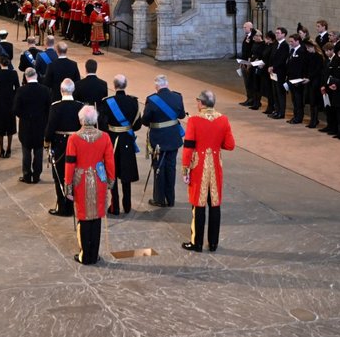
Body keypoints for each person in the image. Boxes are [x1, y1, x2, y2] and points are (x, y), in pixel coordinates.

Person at [181, 90, 236, 252]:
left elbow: (188, 147)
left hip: (199, 167)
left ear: (201, 103)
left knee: (198, 204)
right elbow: (230, 145)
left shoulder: (194, 120)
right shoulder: (223, 119)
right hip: (216, 167)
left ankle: (196, 242)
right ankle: (213, 243)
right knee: (214, 205)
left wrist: (185, 169)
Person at [64, 105, 115, 265]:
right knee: (97, 216)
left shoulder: (74, 138)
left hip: (81, 181)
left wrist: (68, 185)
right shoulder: (105, 137)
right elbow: (110, 161)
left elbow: (70, 164)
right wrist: (110, 181)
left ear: (80, 120)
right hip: (99, 179)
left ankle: (84, 255)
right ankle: (94, 254)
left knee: (83, 217)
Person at [98, 74, 141, 215]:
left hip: (112, 141)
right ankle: (127, 206)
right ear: (125, 85)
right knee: (126, 175)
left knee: (113, 173)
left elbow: (102, 125)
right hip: (127, 140)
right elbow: (137, 125)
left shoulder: (106, 102)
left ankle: (114, 206)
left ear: (114, 85)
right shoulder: (133, 102)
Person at [142, 74, 186, 207]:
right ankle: (170, 198)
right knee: (171, 168)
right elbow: (182, 115)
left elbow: (145, 121)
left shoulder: (152, 99)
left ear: (156, 86)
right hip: (173, 138)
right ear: (167, 84)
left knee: (159, 168)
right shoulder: (178, 97)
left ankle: (159, 199)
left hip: (158, 140)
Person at [44, 79, 82, 217]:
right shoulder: (80, 106)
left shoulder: (55, 106)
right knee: (75, 175)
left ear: (61, 91)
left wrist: (47, 141)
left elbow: (50, 127)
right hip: (76, 145)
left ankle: (62, 207)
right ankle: (73, 205)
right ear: (73, 90)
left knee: (60, 176)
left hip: (60, 145)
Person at [13, 67, 52, 184]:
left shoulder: (21, 90)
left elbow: (15, 109)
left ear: (25, 77)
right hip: (40, 125)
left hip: (26, 125)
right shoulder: (45, 90)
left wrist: (23, 117)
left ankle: (26, 174)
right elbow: (49, 109)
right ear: (36, 76)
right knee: (39, 152)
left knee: (26, 151)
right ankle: (36, 175)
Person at [0, 54, 20, 158]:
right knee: (10, 126)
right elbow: (17, 88)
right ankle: (9, 149)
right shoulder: (13, 74)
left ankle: (1, 149)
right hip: (10, 101)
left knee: (0, 126)